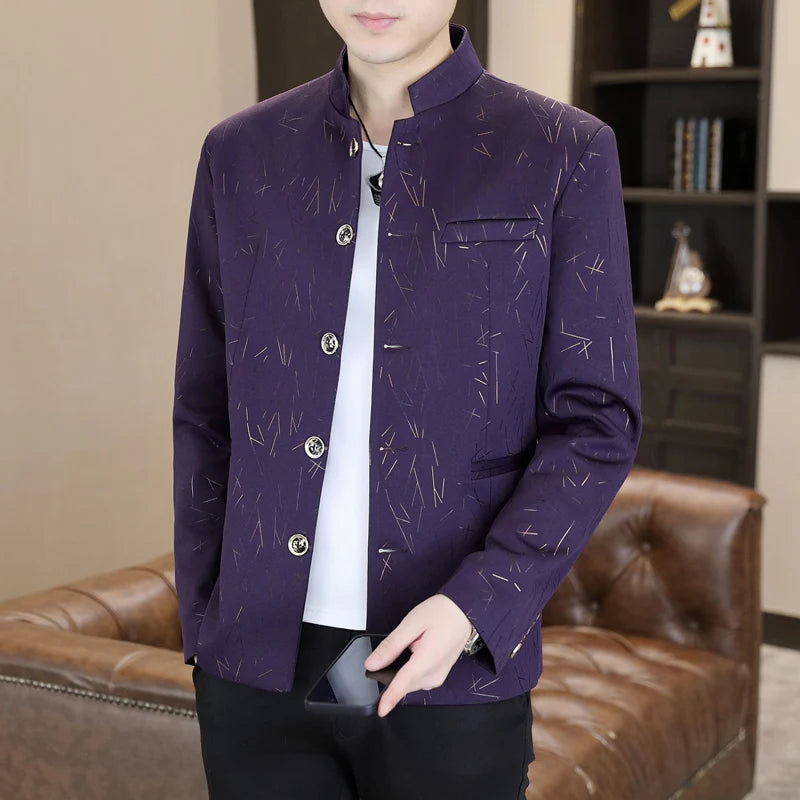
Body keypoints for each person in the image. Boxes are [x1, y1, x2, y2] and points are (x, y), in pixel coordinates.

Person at [172, 2, 642, 798]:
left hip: (449, 661)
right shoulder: (240, 153)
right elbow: (205, 403)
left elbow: (596, 423)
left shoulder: (561, 150)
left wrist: (479, 606)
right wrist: (206, 616)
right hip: (255, 665)